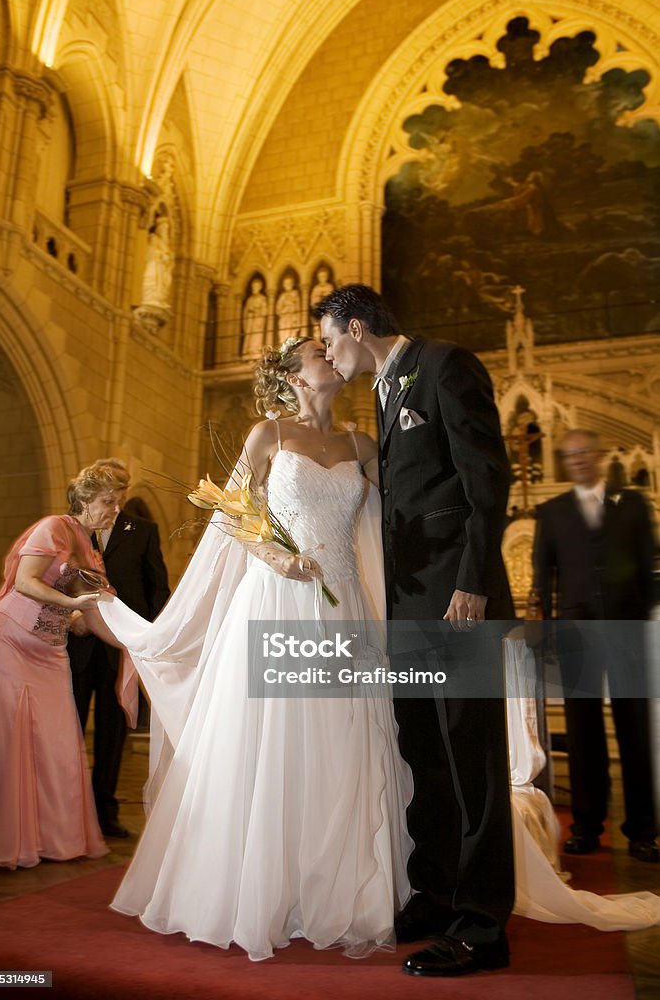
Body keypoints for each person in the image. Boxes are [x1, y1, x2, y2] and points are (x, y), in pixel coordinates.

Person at [97, 337, 413, 960]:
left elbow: (401, 514)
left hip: (341, 604)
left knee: (342, 737)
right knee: (274, 739)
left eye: (327, 347)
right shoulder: (267, 435)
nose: (327, 354)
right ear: (293, 377)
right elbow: (237, 520)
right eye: (313, 352)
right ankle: (261, 886)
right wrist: (275, 554)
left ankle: (337, 883)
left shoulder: (361, 446)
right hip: (277, 599)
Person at [316, 283, 515, 977]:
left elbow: (485, 479)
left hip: (458, 599)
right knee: (423, 750)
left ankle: (482, 924)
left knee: (470, 760)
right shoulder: (382, 391)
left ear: (357, 325)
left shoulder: (444, 365)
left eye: (330, 338)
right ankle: (434, 893)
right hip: (407, 606)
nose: (328, 353)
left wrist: (473, 580)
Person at [0, 465, 126, 869]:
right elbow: (25, 581)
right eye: (108, 502)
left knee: (57, 741)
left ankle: (54, 839)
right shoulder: (54, 528)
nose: (115, 510)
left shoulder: (92, 552)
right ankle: (4, 835)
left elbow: (93, 618)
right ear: (84, 500)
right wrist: (70, 606)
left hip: (50, 649)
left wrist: (139, 644)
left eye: (118, 502)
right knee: (11, 737)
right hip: (10, 640)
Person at [532, 429, 658, 863]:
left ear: (599, 456)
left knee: (634, 730)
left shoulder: (634, 504)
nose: (579, 460)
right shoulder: (551, 511)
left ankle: (643, 830)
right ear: (565, 462)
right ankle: (586, 826)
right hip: (576, 635)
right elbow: (542, 578)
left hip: (627, 632)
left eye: (585, 452)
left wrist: (643, 619)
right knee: (584, 733)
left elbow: (648, 564)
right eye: (570, 455)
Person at [68, 459, 170, 838]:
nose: (119, 496)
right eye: (113, 489)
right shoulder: (73, 528)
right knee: (69, 727)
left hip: (120, 647)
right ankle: (68, 810)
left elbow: (157, 587)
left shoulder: (143, 530)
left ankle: (103, 812)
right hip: (76, 644)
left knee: (112, 733)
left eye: (124, 489)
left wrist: (152, 634)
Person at [241, 276, 268, 357]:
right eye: (253, 286)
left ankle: (256, 351)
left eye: (256, 286)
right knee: (249, 336)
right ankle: (248, 351)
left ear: (260, 287)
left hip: (257, 321)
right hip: (250, 321)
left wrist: (257, 311)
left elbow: (265, 311)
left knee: (257, 336)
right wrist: (249, 312)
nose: (254, 288)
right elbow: (245, 311)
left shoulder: (262, 298)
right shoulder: (250, 299)